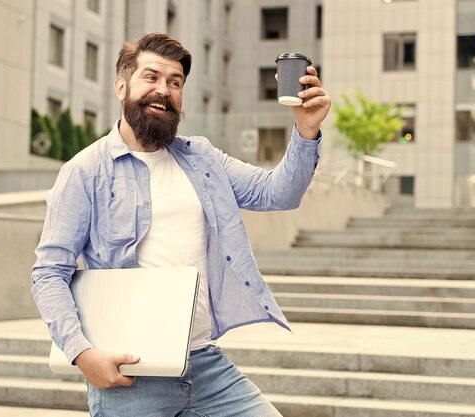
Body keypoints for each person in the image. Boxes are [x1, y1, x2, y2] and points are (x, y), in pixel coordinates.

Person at [31, 32, 331, 416]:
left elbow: (277, 194)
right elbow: (48, 273)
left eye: (175, 82)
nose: (163, 90)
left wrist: (306, 132)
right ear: (121, 86)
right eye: (151, 77)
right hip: (132, 371)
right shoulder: (85, 171)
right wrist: (82, 353)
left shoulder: (202, 158)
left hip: (204, 363)